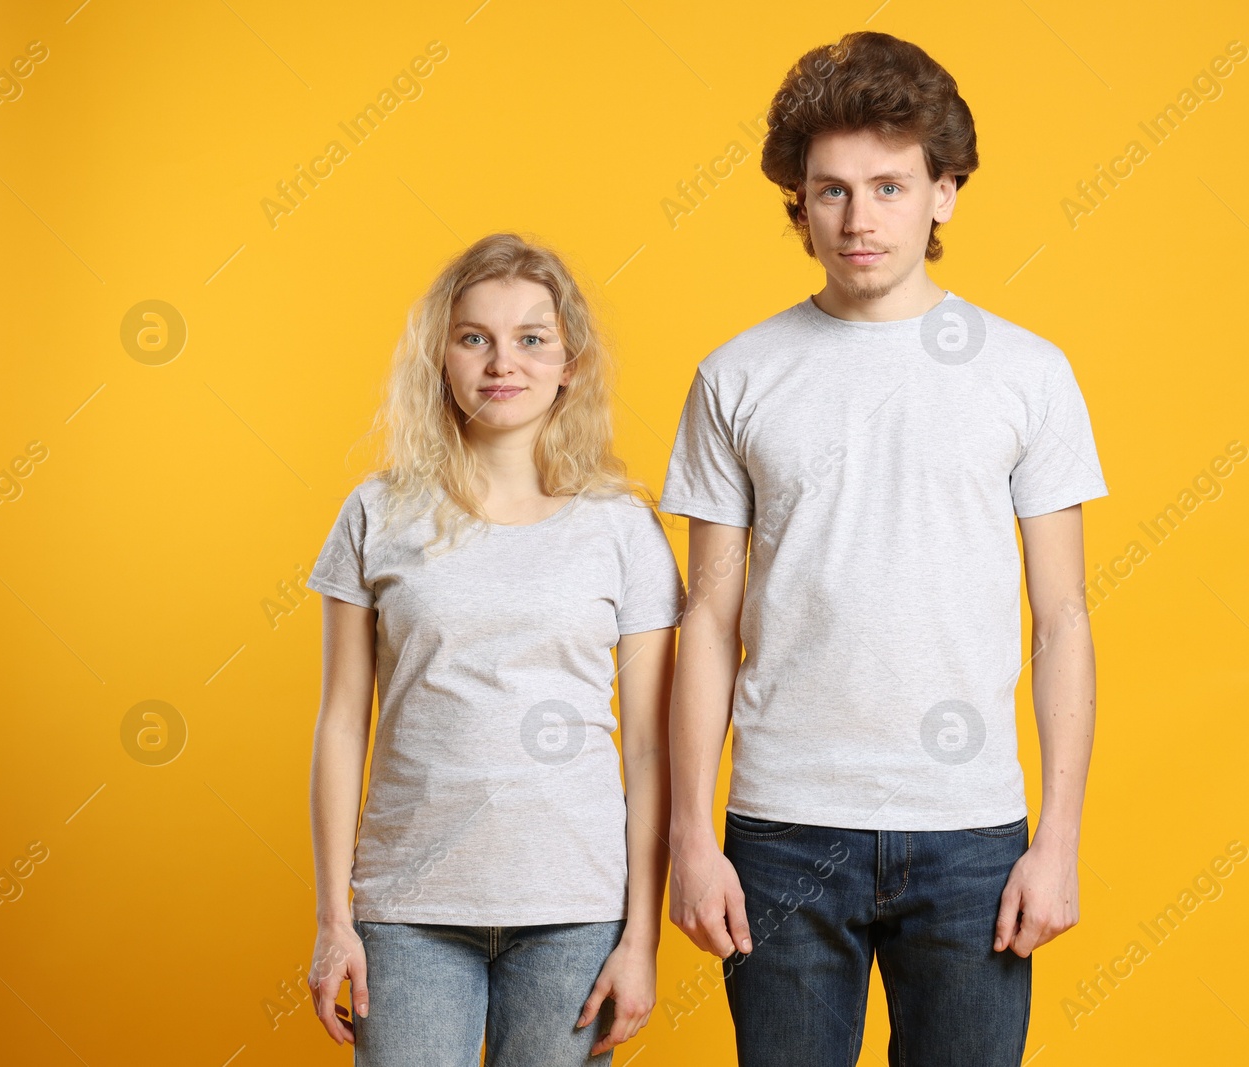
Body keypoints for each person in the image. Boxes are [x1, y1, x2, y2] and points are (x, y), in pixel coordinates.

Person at [661, 31, 1110, 1066]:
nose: (859, 220)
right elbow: (708, 619)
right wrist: (693, 836)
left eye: (889, 187)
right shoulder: (737, 375)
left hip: (970, 833)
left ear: (944, 191)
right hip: (781, 831)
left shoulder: (1026, 373)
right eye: (830, 191)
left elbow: (1064, 620)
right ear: (798, 201)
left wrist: (1058, 839)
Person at [304, 233, 685, 1065]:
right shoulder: (375, 514)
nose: (501, 361)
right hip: (408, 909)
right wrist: (336, 918)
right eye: (474, 336)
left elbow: (654, 750)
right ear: (441, 355)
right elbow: (340, 724)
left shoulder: (624, 528)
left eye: (531, 338)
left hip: (576, 910)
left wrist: (642, 938)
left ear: (569, 363)